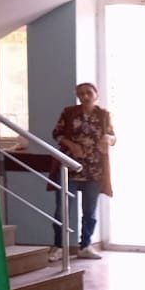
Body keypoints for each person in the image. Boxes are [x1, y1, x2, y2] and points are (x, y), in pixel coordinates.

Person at [50, 82, 115, 260]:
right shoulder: (69, 112)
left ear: (96, 94)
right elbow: (57, 134)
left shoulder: (103, 115)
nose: (85, 96)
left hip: (94, 170)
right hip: (69, 168)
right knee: (62, 210)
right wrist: (71, 145)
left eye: (88, 93)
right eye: (81, 94)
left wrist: (107, 139)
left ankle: (85, 245)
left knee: (90, 211)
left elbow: (113, 136)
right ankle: (59, 246)